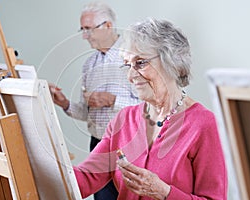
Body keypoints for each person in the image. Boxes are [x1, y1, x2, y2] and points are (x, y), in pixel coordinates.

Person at [73, 18, 228, 199]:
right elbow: (86, 178)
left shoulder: (203, 124)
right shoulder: (124, 119)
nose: (131, 76)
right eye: (127, 65)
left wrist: (164, 193)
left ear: (173, 62)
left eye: (140, 63)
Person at [49, 1, 139, 199]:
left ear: (107, 26)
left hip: (129, 144)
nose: (84, 36)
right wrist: (64, 103)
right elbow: (86, 112)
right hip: (98, 144)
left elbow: (149, 108)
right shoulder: (89, 65)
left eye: (88, 29)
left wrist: (112, 100)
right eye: (82, 29)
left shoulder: (133, 58)